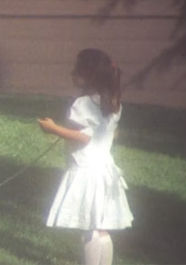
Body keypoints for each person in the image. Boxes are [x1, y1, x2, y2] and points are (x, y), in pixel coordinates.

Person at [37, 48, 133, 265]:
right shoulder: (114, 104)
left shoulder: (83, 104)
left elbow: (84, 137)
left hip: (86, 171)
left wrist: (53, 129)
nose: (72, 73)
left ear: (88, 75)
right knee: (101, 228)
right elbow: (108, 132)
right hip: (104, 170)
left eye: (77, 70)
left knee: (89, 230)